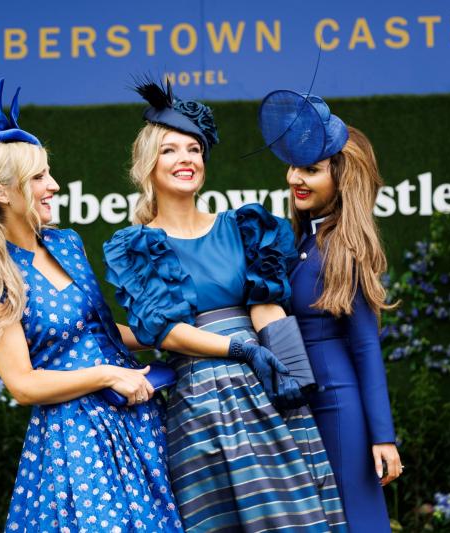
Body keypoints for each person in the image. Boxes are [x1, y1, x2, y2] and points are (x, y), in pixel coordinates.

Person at [102, 78, 347, 533]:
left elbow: (266, 308)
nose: (185, 160)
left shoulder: (244, 227)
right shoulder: (138, 247)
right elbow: (169, 332)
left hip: (266, 392)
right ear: (148, 164)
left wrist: (288, 369)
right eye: (170, 150)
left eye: (194, 149)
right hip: (199, 408)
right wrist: (241, 350)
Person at [0, 79, 183, 532]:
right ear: (2, 192)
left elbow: (101, 334)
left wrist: (178, 336)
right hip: (73, 440)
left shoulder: (67, 243)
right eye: (38, 177)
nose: (54, 186)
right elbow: (22, 384)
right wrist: (107, 375)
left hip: (132, 422)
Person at [258, 89, 403, 532]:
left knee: (355, 522)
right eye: (295, 167)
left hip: (339, 410)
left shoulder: (347, 247)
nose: (294, 178)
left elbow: (365, 347)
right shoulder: (298, 242)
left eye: (311, 170)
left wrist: (383, 436)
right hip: (298, 406)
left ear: (342, 180)